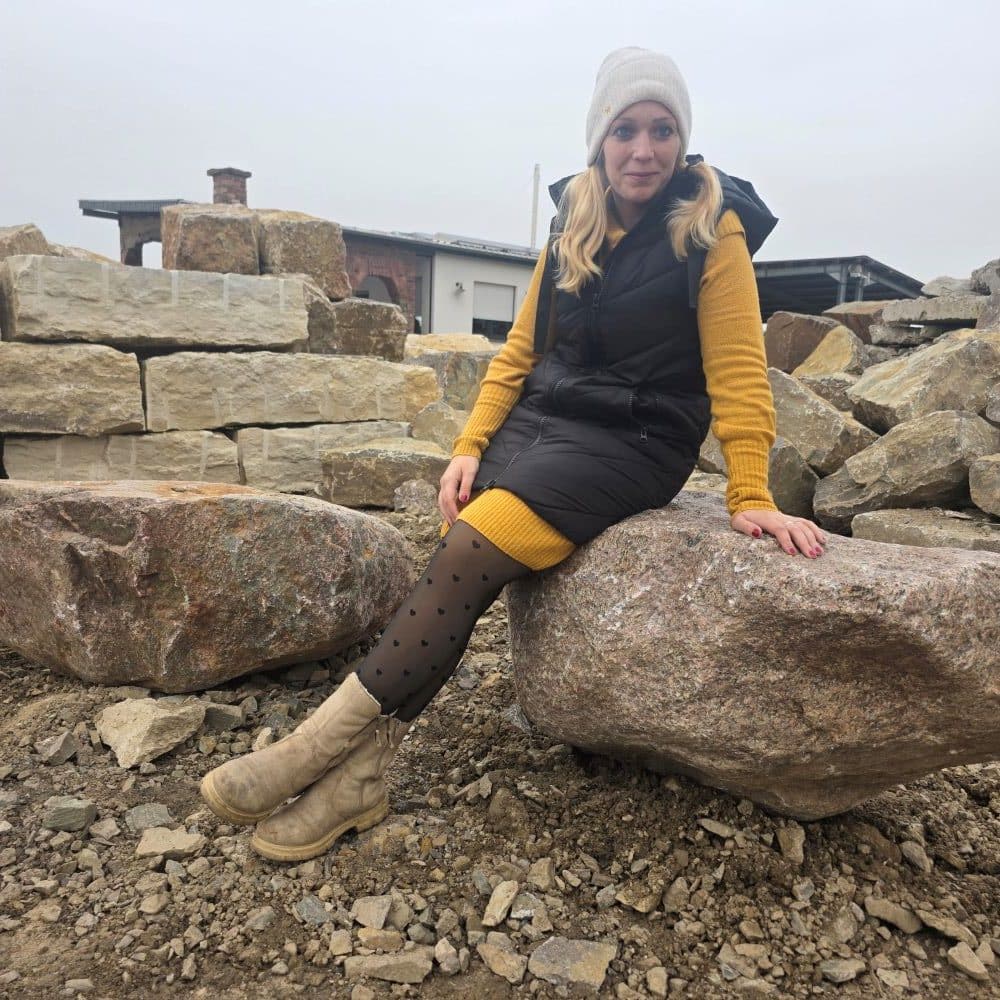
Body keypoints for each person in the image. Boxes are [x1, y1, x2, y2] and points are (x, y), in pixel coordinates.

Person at [200, 46, 826, 862]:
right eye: (626, 130)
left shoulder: (713, 225)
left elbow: (739, 372)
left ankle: (308, 750)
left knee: (467, 552)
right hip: (545, 423)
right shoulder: (575, 218)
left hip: (638, 437)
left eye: (662, 130)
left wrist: (750, 495)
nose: (644, 150)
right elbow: (521, 352)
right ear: (599, 138)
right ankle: (358, 781)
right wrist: (470, 445)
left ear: (683, 139)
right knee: (457, 564)